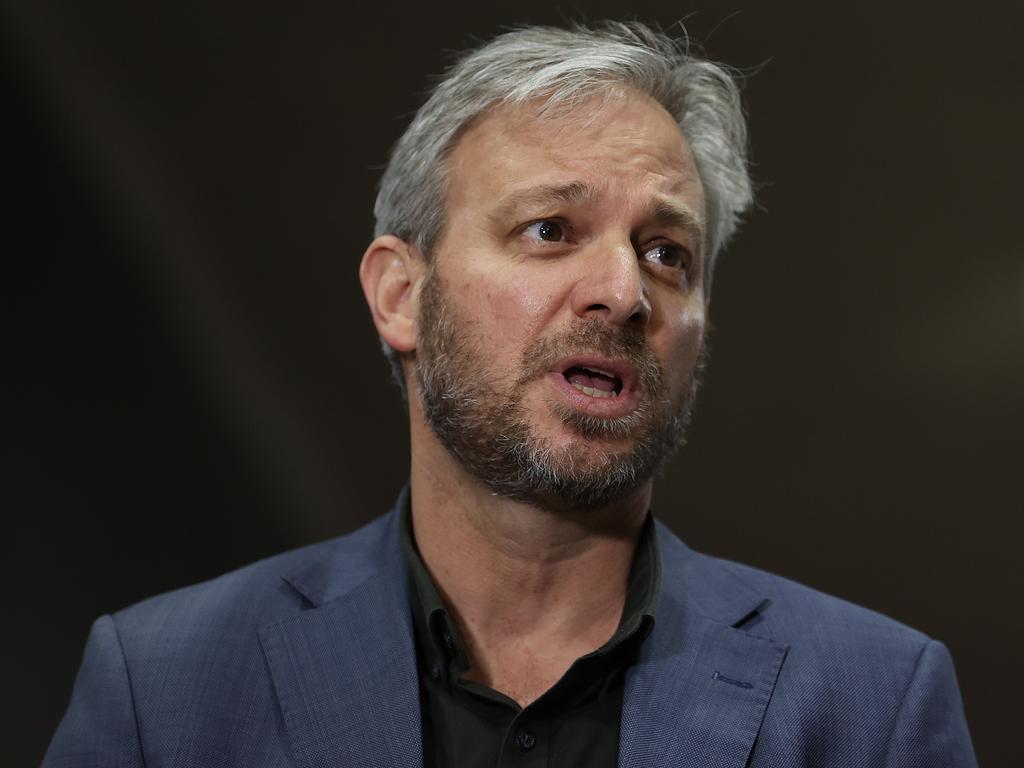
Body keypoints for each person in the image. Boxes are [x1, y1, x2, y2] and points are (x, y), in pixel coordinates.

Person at [45, 21, 977, 767]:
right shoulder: (162, 684)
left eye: (668, 253)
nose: (623, 290)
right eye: (549, 229)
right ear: (401, 296)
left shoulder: (871, 703)